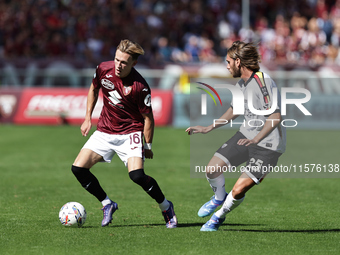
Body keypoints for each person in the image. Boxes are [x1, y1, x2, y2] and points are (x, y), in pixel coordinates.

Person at [71, 39, 177, 228]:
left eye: (124, 62)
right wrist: (87, 118)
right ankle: (107, 203)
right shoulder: (103, 69)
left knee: (137, 176)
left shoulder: (140, 86)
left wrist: (148, 145)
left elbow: (148, 118)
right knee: (78, 169)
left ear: (133, 63)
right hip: (105, 130)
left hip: (130, 132)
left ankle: (166, 207)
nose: (118, 65)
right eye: (117, 60)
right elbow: (93, 89)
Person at [186, 41, 286, 231]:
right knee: (211, 169)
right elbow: (235, 110)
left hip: (268, 146)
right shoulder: (242, 84)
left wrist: (256, 139)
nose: (226, 66)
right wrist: (209, 128)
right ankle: (218, 198)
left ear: (238, 62)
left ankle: (217, 217)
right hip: (247, 135)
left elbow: (275, 116)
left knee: (239, 189)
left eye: (228, 61)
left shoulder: (262, 82)